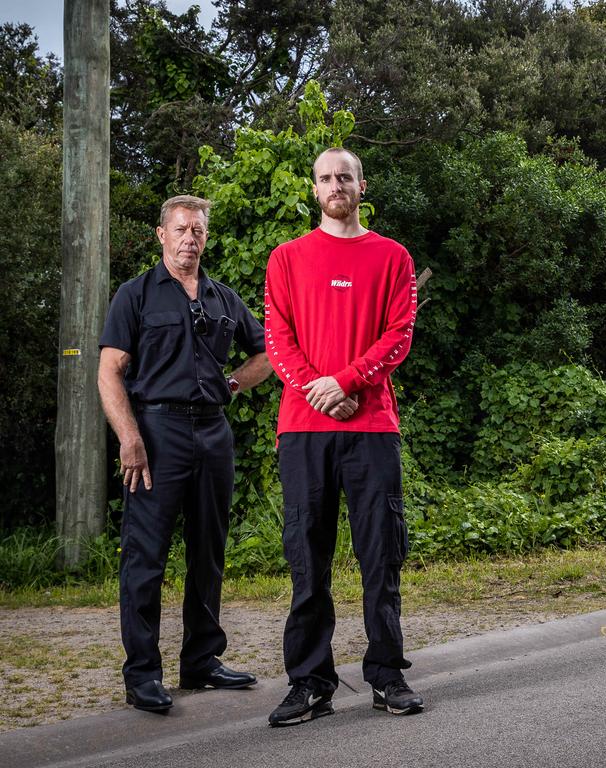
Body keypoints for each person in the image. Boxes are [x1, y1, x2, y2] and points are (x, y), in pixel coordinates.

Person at [263, 147, 422, 727]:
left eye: (345, 177)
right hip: (304, 427)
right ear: (314, 189)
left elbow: (400, 334)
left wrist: (350, 381)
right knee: (308, 557)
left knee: (381, 554)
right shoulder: (286, 258)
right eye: (326, 178)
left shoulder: (392, 257)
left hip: (372, 427)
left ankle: (385, 675)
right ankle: (310, 682)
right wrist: (320, 389)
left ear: (361, 185)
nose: (336, 185)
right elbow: (277, 337)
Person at [98, 194, 272, 713]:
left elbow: (269, 352)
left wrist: (234, 384)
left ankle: (201, 661)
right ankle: (143, 675)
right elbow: (110, 371)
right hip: (156, 433)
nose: (189, 238)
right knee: (145, 557)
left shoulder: (222, 298)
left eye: (197, 230)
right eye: (180, 229)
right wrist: (129, 437)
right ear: (161, 235)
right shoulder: (136, 295)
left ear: (205, 237)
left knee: (208, 551)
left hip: (212, 433)